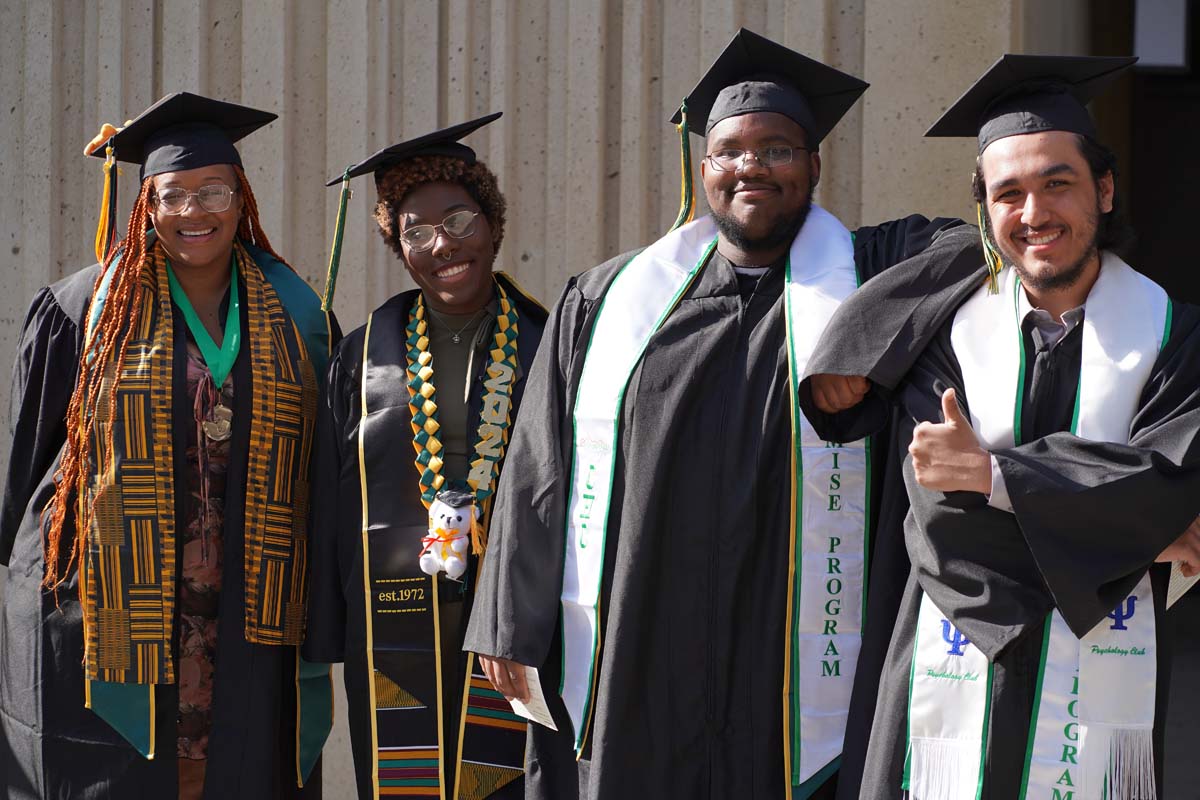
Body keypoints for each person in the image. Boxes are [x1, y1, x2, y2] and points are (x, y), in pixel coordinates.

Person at [462, 29, 975, 800]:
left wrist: (860, 339)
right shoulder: (608, 301)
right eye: (732, 150)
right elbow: (541, 465)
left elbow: (982, 247)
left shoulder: (872, 269)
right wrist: (506, 619)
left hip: (786, 650)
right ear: (704, 171)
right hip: (643, 636)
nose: (752, 167)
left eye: (777, 149)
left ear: (813, 168)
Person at [799, 55, 1200, 799]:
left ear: (1104, 190)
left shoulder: (1177, 336)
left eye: (1058, 183)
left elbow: (1170, 490)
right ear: (983, 209)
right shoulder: (947, 335)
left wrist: (994, 475)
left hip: (1106, 677)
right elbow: (943, 522)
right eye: (1007, 192)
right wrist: (1130, 532)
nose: (1034, 212)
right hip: (951, 660)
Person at [0, 93, 335, 799]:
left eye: (213, 191)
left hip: (246, 605)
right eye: (174, 195)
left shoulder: (299, 313)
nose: (195, 212)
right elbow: (30, 455)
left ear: (241, 199)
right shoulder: (84, 308)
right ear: (145, 206)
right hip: (106, 601)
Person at [303, 114, 548, 800]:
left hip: (513, 610)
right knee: (404, 777)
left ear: (493, 224)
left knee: (506, 778)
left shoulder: (552, 339)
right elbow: (330, 495)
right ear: (396, 245)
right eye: (416, 231)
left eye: (461, 219)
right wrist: (326, 627)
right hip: (391, 614)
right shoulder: (362, 350)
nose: (444, 244)